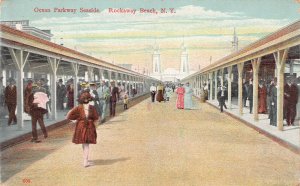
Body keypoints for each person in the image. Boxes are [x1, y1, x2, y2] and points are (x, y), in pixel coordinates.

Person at [66, 90, 99, 167]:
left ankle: (85, 159)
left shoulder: (78, 107)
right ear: (88, 99)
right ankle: (85, 161)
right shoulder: (92, 108)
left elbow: (69, 116)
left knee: (84, 143)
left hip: (80, 126)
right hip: (89, 126)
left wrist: (76, 120)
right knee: (87, 144)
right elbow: (96, 117)